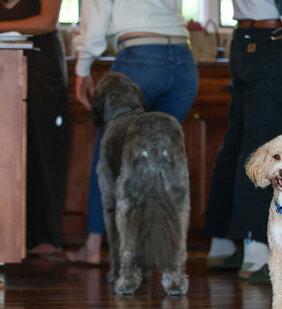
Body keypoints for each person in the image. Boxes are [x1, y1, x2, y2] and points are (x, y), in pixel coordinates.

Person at [204, 0, 282, 281]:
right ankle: (258, 253)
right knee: (268, 147)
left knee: (237, 143)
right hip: (273, 44)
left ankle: (223, 245)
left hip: (244, 41)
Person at [67, 0, 198, 264]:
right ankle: (157, 254)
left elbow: (95, 19)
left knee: (110, 156)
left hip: (140, 60)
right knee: (161, 163)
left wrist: (82, 68)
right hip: (183, 61)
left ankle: (93, 247)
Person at [0, 0, 70, 256]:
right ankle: (12, 235)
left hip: (42, 68)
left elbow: (46, 22)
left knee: (44, 151)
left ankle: (47, 237)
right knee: (6, 154)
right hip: (3, 66)